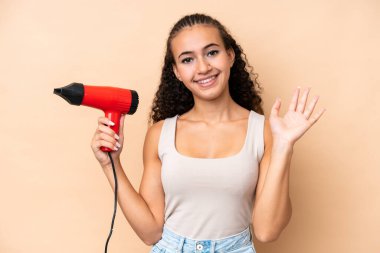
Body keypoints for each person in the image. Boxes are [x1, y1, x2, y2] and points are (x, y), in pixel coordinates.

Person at [91, 13, 325, 253]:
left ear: (230, 56)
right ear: (177, 72)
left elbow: (267, 231)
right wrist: (111, 164)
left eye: (212, 52)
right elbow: (150, 231)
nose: (203, 68)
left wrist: (284, 145)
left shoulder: (264, 131)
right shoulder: (160, 134)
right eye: (187, 60)